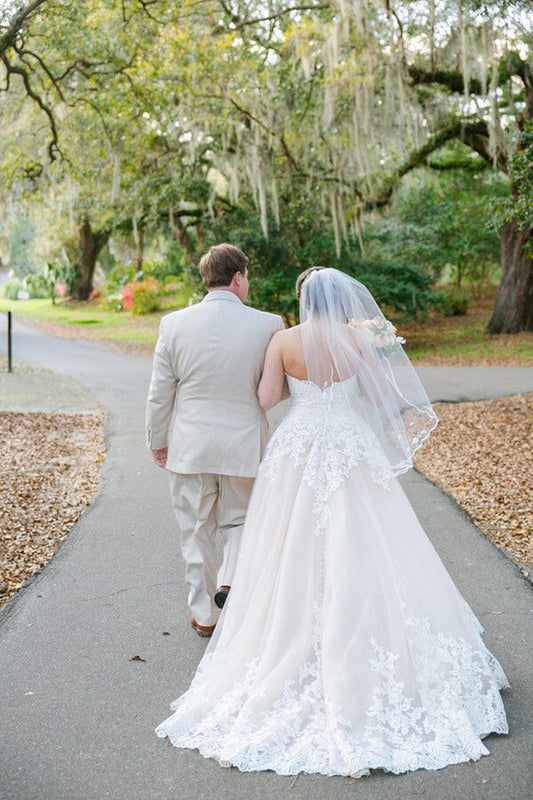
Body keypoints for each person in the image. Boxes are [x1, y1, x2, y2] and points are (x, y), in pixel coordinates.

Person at [155, 267, 508, 777]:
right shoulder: (355, 341)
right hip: (349, 446)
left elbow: (266, 399)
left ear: (302, 299)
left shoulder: (283, 339)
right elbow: (376, 395)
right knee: (368, 540)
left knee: (287, 544)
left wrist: (295, 390)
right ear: (341, 300)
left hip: (298, 447)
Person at [145, 243, 284, 637]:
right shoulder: (269, 324)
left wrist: (158, 440)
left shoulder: (173, 324)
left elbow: (160, 393)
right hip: (245, 445)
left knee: (195, 530)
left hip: (191, 448)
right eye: (248, 276)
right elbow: (278, 387)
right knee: (242, 521)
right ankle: (231, 580)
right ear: (238, 276)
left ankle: (205, 614)